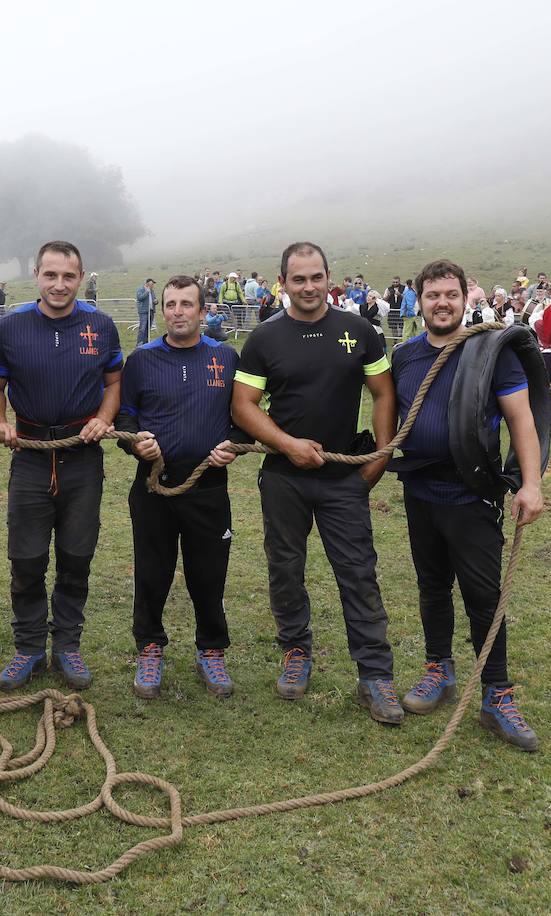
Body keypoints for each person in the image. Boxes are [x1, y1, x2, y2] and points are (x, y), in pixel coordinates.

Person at [231, 241, 402, 725]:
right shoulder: (264, 339)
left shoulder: (360, 331)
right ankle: (296, 652)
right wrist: (287, 445)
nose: (308, 287)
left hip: (344, 477)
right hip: (284, 478)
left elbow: (383, 392)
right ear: (281, 282)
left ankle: (375, 674)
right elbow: (243, 406)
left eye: (316, 277)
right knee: (285, 568)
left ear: (330, 278)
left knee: (358, 572)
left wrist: (380, 458)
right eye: (298, 279)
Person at [388, 258, 544, 752]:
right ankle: (439, 669)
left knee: (483, 596)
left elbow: (522, 421)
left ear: (464, 298)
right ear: (419, 300)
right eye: (432, 295)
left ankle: (496, 695)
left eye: (450, 294)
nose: (441, 303)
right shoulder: (406, 356)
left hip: (472, 495)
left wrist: (531, 484)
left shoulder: (491, 351)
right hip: (420, 493)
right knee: (432, 587)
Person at [0, 241, 122, 691]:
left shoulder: (101, 326)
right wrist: (0, 420)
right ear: (36, 275)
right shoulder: (10, 328)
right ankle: (28, 647)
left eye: (68, 276)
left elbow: (114, 381)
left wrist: (104, 418)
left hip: (82, 455)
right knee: (25, 557)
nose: (59, 285)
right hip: (29, 454)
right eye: (50, 275)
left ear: (80, 277)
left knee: (76, 556)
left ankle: (67, 645)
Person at [115, 276, 241, 699]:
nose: (178, 312)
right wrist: (137, 443)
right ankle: (150, 647)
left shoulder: (226, 358)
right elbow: (125, 418)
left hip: (209, 487)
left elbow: (242, 418)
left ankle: (211, 649)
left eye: (187, 304)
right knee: (152, 572)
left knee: (209, 574)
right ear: (162, 309)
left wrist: (234, 446)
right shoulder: (142, 360)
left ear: (204, 312)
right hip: (154, 488)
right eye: (170, 304)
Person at [135, 278, 157, 346]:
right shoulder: (140, 289)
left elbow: (154, 298)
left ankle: (146, 343)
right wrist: (147, 292)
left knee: (148, 328)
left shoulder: (152, 291)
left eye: (153, 284)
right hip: (143, 312)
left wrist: (156, 301)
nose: (153, 285)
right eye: (151, 284)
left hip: (151, 311)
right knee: (143, 328)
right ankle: (139, 343)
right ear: (147, 284)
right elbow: (139, 298)